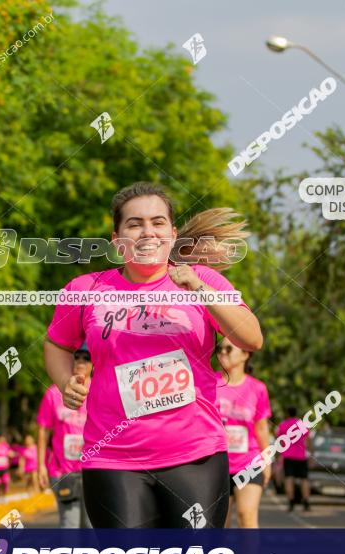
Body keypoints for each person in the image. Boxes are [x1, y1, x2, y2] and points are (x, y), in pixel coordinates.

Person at [44, 182, 262, 528]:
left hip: (196, 456)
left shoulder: (203, 281)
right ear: (117, 239)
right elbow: (56, 343)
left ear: (173, 234)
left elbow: (251, 337)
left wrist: (198, 289)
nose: (148, 231)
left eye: (158, 222)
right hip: (112, 458)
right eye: (135, 224)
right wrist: (64, 382)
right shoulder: (86, 289)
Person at [215, 338, 272, 528]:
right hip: (217, 464)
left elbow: (261, 428)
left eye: (229, 349)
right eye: (220, 349)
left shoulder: (257, 388)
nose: (223, 352)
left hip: (249, 463)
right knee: (221, 523)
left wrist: (267, 461)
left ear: (245, 354)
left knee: (246, 516)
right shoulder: (210, 382)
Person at [37, 347, 92, 528]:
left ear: (93, 363)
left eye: (86, 357)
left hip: (94, 471)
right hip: (63, 472)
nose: (81, 361)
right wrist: (40, 467)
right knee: (70, 527)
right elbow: (43, 431)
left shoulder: (102, 390)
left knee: (92, 529)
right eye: (76, 357)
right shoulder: (54, 393)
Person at [278, 406, 311, 512]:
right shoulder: (301, 424)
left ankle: (291, 502)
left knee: (289, 479)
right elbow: (308, 439)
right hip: (301, 456)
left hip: (288, 456)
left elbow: (280, 441)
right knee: (304, 479)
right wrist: (311, 453)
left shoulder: (283, 425)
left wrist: (279, 455)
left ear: (288, 413)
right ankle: (306, 502)